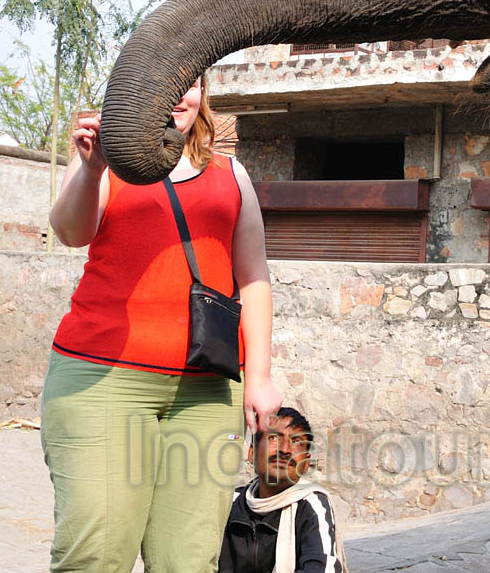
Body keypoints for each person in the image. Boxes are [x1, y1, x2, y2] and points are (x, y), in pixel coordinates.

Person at [43, 75, 282, 573]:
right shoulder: (104, 160)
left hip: (208, 390)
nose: (178, 95)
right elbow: (70, 232)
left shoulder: (231, 173)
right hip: (103, 380)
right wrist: (93, 169)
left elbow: (254, 277)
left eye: (189, 83)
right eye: (164, 81)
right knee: (95, 554)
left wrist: (259, 377)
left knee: (188, 560)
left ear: (203, 93)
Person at [218, 406, 345, 573]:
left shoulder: (311, 504)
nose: (285, 450)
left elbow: (321, 567)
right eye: (274, 438)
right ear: (252, 453)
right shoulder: (230, 503)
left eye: (296, 442)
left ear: (306, 463)